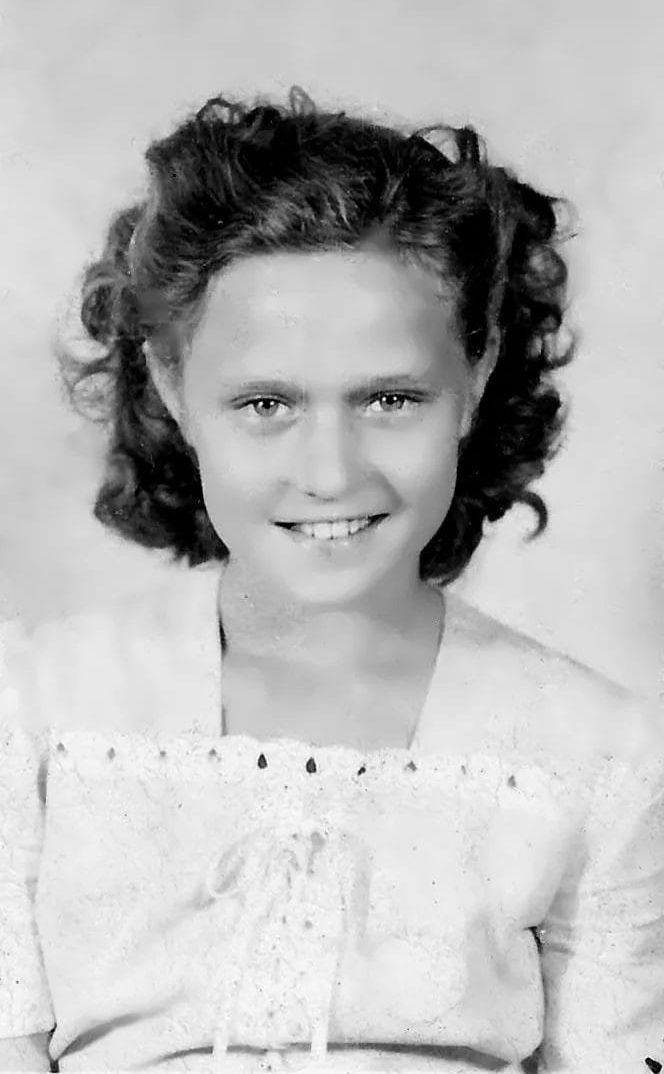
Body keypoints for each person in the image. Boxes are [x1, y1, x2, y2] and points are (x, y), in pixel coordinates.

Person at [1, 86, 662, 1074]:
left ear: (477, 372)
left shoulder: (600, 754)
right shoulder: (34, 711)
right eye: (266, 402)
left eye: (389, 398)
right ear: (172, 384)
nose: (329, 471)